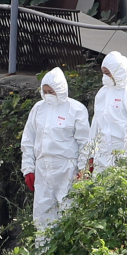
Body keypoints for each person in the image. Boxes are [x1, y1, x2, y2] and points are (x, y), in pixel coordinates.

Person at [21, 67, 91, 235]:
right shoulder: (38, 109)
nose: (48, 95)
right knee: (42, 213)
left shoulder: (76, 109)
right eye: (45, 91)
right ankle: (43, 254)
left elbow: (85, 142)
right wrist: (28, 168)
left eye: (51, 91)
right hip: (43, 168)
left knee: (69, 211)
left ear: (60, 90)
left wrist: (83, 170)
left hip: (67, 168)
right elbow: (28, 140)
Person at [87, 51, 127, 171]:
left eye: (107, 73)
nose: (105, 77)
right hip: (102, 152)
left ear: (118, 71)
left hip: (123, 151)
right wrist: (91, 154)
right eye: (103, 73)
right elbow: (96, 124)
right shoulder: (102, 92)